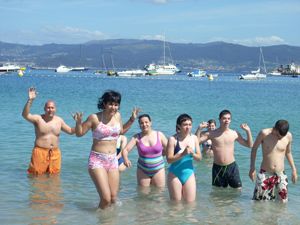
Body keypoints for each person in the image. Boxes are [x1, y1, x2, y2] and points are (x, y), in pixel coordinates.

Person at [71, 90, 141, 210]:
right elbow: (79, 133)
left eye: (116, 104)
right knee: (106, 199)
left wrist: (132, 119)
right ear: (104, 104)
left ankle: (108, 218)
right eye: (110, 104)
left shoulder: (117, 116)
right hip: (97, 160)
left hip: (112, 160)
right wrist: (78, 123)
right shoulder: (94, 118)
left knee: (113, 198)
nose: (113, 107)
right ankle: (101, 220)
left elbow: (122, 131)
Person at [22, 87, 75, 174]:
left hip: (55, 154)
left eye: (52, 108)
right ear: (44, 109)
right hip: (40, 153)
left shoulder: (59, 120)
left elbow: (70, 131)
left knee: (54, 178)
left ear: (55, 109)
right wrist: (30, 100)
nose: (50, 110)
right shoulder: (38, 119)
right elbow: (25, 115)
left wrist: (80, 123)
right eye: (48, 108)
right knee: (37, 178)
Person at [198, 110, 253, 189]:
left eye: (228, 118)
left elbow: (250, 145)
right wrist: (199, 129)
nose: (226, 120)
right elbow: (196, 142)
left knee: (237, 191)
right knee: (219, 193)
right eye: (224, 118)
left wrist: (248, 131)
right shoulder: (212, 133)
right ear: (219, 119)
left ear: (230, 120)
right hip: (218, 168)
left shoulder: (234, 133)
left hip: (232, 167)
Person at [249, 120, 297, 202]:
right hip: (265, 174)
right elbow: (254, 149)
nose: (279, 138)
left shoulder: (289, 136)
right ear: (274, 128)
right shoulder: (264, 134)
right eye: (277, 135)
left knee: (283, 203)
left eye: (281, 137)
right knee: (259, 203)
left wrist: (294, 170)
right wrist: (252, 168)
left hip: (281, 175)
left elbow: (288, 153)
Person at [122, 114, 168, 187]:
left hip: (158, 169)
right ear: (139, 125)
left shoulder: (159, 135)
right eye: (141, 123)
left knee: (159, 194)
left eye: (146, 122)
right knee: (143, 195)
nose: (144, 124)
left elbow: (169, 149)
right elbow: (125, 150)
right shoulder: (136, 137)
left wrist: (161, 154)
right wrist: (125, 159)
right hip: (142, 170)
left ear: (150, 123)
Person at [166, 114, 202, 201]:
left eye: (190, 124)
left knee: (190, 205)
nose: (188, 127)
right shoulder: (173, 139)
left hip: (189, 174)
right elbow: (169, 159)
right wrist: (183, 154)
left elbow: (199, 158)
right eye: (185, 125)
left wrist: (192, 154)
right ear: (179, 125)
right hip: (175, 174)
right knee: (175, 205)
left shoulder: (194, 138)